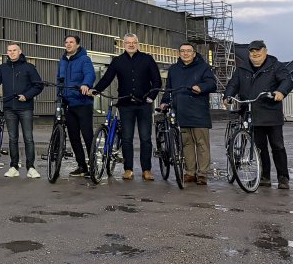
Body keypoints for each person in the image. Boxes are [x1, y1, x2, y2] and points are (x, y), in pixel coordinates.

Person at [224, 40, 293, 190]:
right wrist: (228, 96)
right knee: (259, 147)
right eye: (252, 53)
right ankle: (264, 177)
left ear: (265, 51)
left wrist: (281, 92)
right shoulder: (242, 68)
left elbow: (287, 81)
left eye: (258, 52)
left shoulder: (276, 66)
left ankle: (283, 177)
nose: (255, 55)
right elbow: (233, 84)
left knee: (277, 146)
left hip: (271, 112)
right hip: (251, 113)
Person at [92, 33, 163, 181]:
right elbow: (107, 78)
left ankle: (146, 170)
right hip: (125, 105)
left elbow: (157, 80)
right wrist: (96, 90)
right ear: (123, 44)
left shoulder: (147, 59)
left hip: (144, 104)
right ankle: (128, 169)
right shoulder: (117, 61)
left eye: (133, 42)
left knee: (145, 138)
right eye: (128, 42)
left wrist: (152, 97)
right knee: (126, 138)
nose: (131, 45)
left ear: (138, 44)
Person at [0, 42, 45, 178]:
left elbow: (38, 85)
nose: (12, 52)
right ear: (7, 53)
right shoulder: (3, 68)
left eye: (14, 50)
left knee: (28, 138)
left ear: (20, 51)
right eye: (9, 50)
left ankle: (31, 168)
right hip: (9, 107)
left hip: (25, 107)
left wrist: (27, 96)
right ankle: (13, 167)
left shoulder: (29, 67)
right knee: (13, 138)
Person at [162, 42, 217, 186]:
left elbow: (212, 84)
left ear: (194, 53)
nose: (185, 53)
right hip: (181, 111)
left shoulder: (203, 67)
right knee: (186, 144)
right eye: (182, 51)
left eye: (188, 51)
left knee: (201, 144)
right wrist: (164, 101)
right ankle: (190, 172)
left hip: (199, 111)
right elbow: (169, 88)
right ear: (179, 53)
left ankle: (202, 174)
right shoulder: (173, 69)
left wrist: (201, 87)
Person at [57, 35, 96, 178]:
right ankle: (81, 166)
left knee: (87, 135)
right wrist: (59, 97)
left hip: (83, 103)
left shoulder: (84, 59)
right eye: (66, 42)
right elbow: (59, 80)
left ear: (77, 45)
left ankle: (93, 166)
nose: (68, 44)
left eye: (71, 42)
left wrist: (86, 84)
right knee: (73, 137)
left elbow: (90, 74)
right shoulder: (62, 60)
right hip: (69, 104)